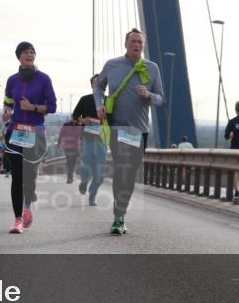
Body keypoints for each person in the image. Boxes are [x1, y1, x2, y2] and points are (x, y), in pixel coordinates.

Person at [94, 28, 165, 235]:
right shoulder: (112, 65)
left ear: (143, 46)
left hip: (138, 130)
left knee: (130, 174)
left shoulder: (152, 68)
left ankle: (121, 212)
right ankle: (118, 217)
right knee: (121, 170)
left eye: (140, 42)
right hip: (117, 127)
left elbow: (161, 99)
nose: (137, 45)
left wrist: (148, 94)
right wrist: (99, 104)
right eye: (133, 41)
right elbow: (98, 87)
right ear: (126, 44)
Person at [3, 41, 57, 233]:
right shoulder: (12, 80)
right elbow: (8, 101)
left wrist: (32, 107)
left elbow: (52, 107)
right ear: (19, 56)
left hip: (35, 132)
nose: (29, 55)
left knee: (30, 177)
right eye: (26, 52)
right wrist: (6, 111)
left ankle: (27, 207)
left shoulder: (44, 79)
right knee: (17, 176)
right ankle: (18, 219)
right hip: (15, 131)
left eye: (32, 52)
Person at [72, 74, 106, 205]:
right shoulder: (85, 99)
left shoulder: (109, 101)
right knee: (87, 168)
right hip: (87, 139)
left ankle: (92, 194)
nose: (97, 85)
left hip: (102, 140)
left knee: (100, 174)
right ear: (91, 85)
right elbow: (74, 116)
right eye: (95, 83)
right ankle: (84, 181)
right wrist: (82, 120)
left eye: (100, 82)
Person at [57, 119, 83, 184]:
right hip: (68, 147)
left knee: (73, 162)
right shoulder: (66, 125)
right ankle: (70, 178)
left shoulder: (80, 125)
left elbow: (82, 135)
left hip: (75, 147)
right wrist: (58, 143)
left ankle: (70, 176)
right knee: (70, 162)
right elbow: (61, 134)